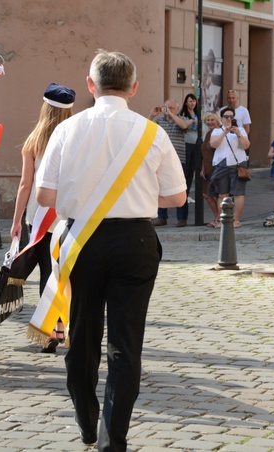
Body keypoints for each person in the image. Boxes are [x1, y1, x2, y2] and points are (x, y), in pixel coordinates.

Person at [35, 50, 186, 449]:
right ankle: (111, 440)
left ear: (90, 85)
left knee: (81, 338)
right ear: (134, 88)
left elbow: (45, 195)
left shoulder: (66, 130)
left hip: (81, 241)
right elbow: (177, 197)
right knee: (125, 344)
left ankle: (86, 423)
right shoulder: (152, 132)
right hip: (134, 241)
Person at [10, 83, 75, 352]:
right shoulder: (75, 138)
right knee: (63, 275)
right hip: (67, 216)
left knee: (45, 275)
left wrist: (16, 220)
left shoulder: (34, 140)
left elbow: (25, 185)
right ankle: (61, 328)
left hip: (38, 219)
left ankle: (49, 331)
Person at [149, 99, 189, 227]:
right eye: (166, 108)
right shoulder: (159, 121)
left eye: (172, 108)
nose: (168, 110)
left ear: (177, 109)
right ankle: (161, 217)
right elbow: (144, 128)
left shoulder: (182, 119)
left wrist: (172, 115)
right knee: (160, 187)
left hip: (179, 158)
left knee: (181, 187)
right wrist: (152, 115)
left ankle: (182, 218)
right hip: (161, 159)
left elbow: (184, 126)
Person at [209, 107, 250, 228]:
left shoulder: (241, 130)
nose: (229, 119)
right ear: (221, 118)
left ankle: (236, 220)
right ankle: (223, 220)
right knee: (222, 194)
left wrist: (238, 134)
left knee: (238, 193)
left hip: (238, 164)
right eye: (226, 117)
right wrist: (224, 132)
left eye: (231, 117)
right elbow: (213, 144)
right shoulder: (217, 131)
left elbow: (246, 145)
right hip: (222, 163)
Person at [200, 113, 221, 228]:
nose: (210, 122)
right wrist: (203, 167)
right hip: (207, 168)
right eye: (208, 120)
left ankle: (218, 219)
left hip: (216, 167)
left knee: (217, 194)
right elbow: (205, 153)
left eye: (212, 119)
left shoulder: (218, 132)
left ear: (217, 121)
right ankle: (217, 216)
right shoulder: (208, 133)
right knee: (206, 194)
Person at [180, 93, 200, 207]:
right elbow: (182, 126)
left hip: (196, 143)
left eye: (194, 101)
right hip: (186, 143)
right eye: (190, 101)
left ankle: (187, 194)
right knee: (186, 170)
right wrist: (189, 122)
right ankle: (183, 195)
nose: (192, 103)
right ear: (186, 103)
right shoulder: (183, 114)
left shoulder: (197, 113)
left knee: (192, 170)